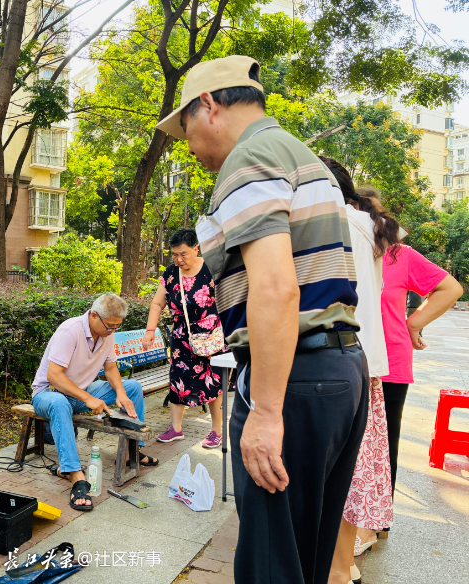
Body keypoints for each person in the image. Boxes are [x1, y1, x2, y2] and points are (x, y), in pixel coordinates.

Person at [156, 55, 368, 584]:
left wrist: (267, 412)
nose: (188, 145)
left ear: (209, 105)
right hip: (338, 370)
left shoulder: (248, 159)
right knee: (306, 558)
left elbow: (275, 286)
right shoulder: (301, 157)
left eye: (185, 129)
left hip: (294, 378)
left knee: (271, 564)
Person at [320, 160, 398, 584]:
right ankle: (342, 565)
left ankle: (336, 570)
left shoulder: (331, 222)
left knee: (333, 471)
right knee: (353, 469)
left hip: (335, 358)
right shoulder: (369, 227)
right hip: (367, 363)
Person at [378, 215, 462, 545]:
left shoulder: (399, 255)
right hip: (345, 360)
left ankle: (379, 519)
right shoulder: (338, 252)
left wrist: (413, 323)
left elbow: (450, 288)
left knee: (384, 441)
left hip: (390, 361)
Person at [31, 293, 158, 512]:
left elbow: (110, 368)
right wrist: (88, 398)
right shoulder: (70, 331)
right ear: (93, 316)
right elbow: (54, 375)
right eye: (109, 326)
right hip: (48, 394)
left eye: (117, 327)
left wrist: (120, 393)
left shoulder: (107, 334)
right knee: (60, 403)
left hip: (80, 392)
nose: (112, 331)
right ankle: (75, 476)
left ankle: (132, 452)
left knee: (132, 388)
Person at [142, 228, 226, 448]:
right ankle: (176, 428)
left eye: (183, 254)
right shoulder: (171, 273)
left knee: (214, 383)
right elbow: (157, 303)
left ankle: (217, 431)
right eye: (174, 254)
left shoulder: (211, 268)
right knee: (177, 381)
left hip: (210, 339)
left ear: (196, 249)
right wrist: (150, 331)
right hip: (182, 339)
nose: (179, 259)